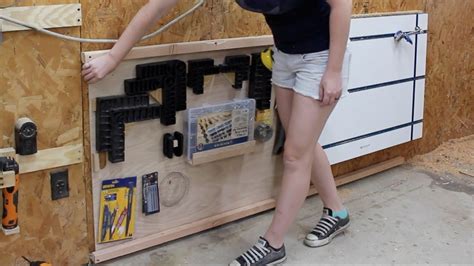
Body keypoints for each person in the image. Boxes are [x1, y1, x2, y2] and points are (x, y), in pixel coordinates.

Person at [82, 1, 352, 265]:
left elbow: (341, 4)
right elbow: (157, 7)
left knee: (295, 155)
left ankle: (273, 243)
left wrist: (334, 70)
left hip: (322, 57)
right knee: (301, 143)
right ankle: (337, 212)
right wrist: (113, 58)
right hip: (285, 55)